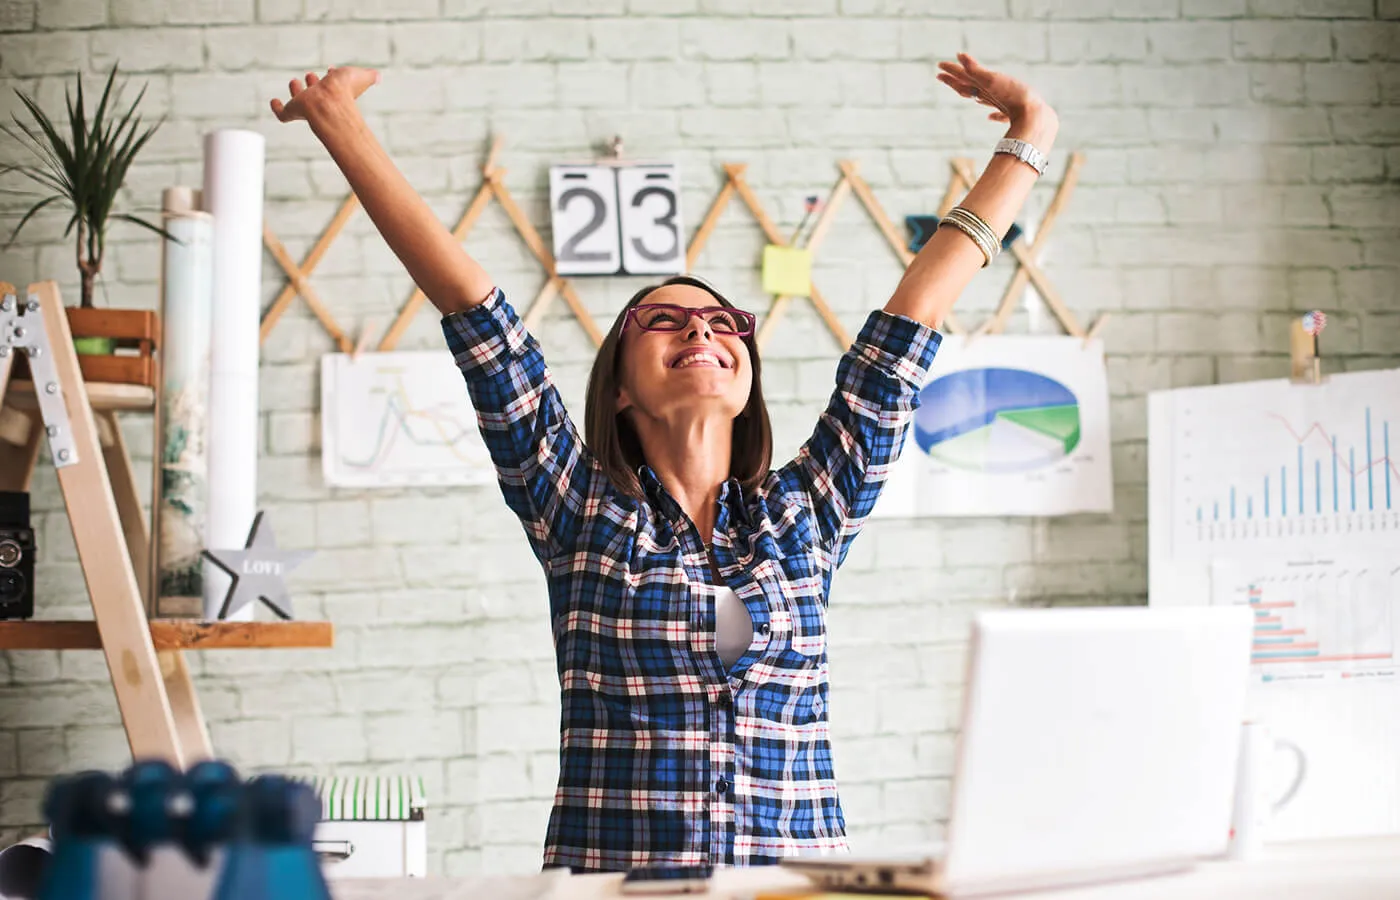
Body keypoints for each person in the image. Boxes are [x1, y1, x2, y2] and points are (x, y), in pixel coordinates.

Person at [271, 52, 1057, 872]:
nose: (703, 332)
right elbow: (478, 316)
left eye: (724, 324)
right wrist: (340, 121)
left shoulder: (807, 514)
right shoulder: (576, 511)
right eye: (666, 321)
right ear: (617, 388)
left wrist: (1030, 135)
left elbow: (910, 324)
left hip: (793, 889)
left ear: (745, 376)